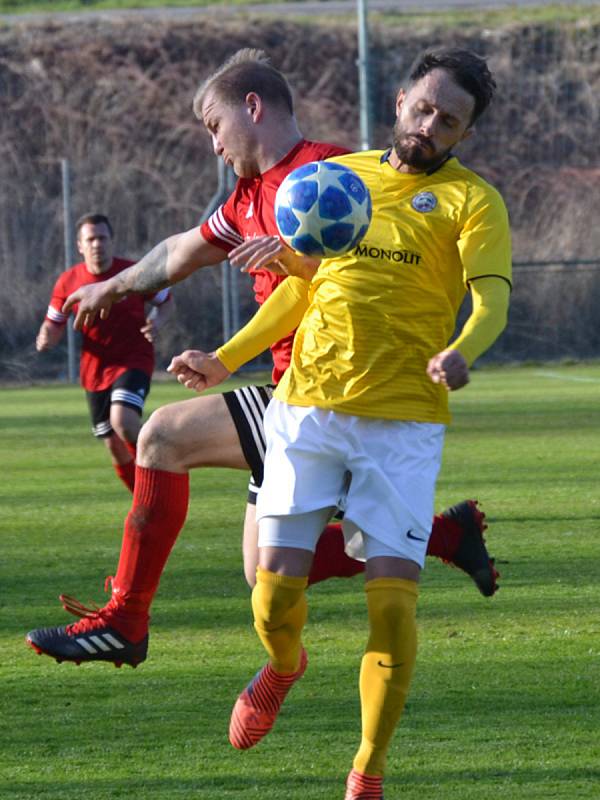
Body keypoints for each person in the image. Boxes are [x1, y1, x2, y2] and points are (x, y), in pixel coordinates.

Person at [26, 50, 498, 676]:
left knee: (162, 436)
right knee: (261, 574)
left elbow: (357, 273)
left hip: (329, 393)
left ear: (252, 108)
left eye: (215, 125)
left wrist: (301, 266)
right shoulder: (251, 196)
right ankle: (442, 536)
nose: (213, 143)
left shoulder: (329, 174)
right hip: (292, 390)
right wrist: (109, 288)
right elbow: (179, 252)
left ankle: (125, 620)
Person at [167, 48, 512, 800]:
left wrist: (462, 350)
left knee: (391, 605)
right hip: (309, 412)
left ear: (463, 133)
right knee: (270, 596)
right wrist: (228, 358)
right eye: (424, 108)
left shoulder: (472, 202)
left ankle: (366, 773)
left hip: (405, 426)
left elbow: (491, 302)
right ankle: (284, 665)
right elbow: (305, 290)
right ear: (400, 101)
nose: (432, 126)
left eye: (450, 121)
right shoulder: (337, 178)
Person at [35, 213, 172, 492]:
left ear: (111, 241)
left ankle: (165, 470)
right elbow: (54, 323)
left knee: (122, 420)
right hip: (95, 371)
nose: (97, 244)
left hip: (134, 359)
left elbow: (166, 301)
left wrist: (157, 321)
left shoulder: (132, 273)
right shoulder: (68, 282)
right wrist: (46, 336)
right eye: (91, 239)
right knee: (114, 446)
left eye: (102, 238)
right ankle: (144, 498)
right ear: (80, 245)